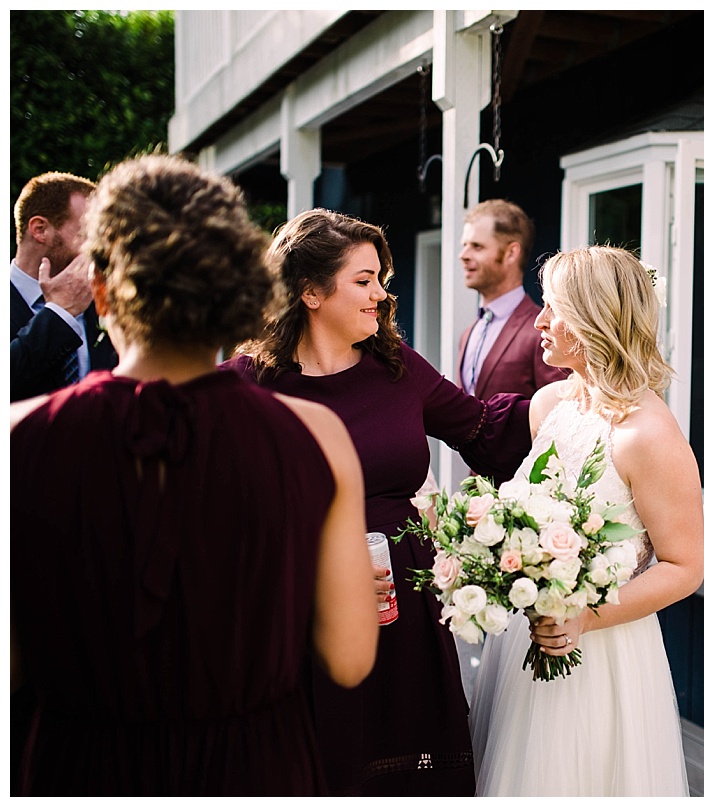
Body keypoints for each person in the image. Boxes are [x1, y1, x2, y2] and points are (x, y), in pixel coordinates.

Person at [9, 154, 379, 795]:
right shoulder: (315, 438)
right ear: (233, 290)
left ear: (100, 290)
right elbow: (349, 658)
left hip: (84, 772)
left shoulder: (21, 438)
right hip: (255, 771)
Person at [223, 208, 533, 796]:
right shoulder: (247, 385)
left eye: (379, 279)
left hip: (404, 608)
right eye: (363, 281)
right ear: (310, 292)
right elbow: (212, 521)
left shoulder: (396, 368)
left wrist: (572, 404)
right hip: (299, 619)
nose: (380, 295)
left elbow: (482, 430)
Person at [469, 245, 704, 796]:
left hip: (599, 649)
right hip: (523, 644)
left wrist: (584, 618)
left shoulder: (649, 437)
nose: (539, 321)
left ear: (597, 318)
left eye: (554, 308)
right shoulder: (551, 403)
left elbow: (685, 566)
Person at [10, 171, 118, 401]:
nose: (99, 247)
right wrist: (59, 314)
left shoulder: (102, 300)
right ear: (39, 229)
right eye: (88, 232)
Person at [457, 198, 568, 398]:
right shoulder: (468, 334)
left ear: (511, 253)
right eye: (464, 245)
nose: (463, 255)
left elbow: (558, 411)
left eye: (477, 246)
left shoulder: (542, 333)